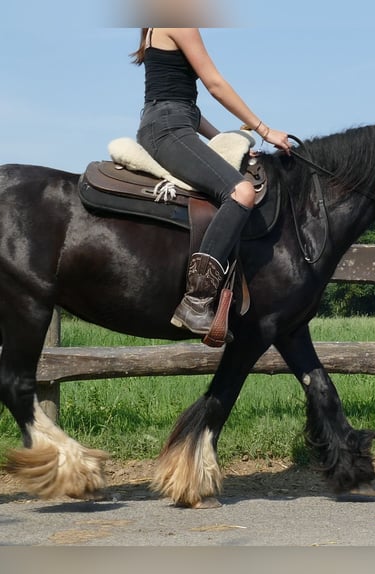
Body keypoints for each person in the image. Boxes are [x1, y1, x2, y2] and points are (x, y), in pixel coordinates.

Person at [133, 27, 291, 340]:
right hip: (169, 128)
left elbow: (182, 103)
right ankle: (196, 301)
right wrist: (264, 129)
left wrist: (226, 138)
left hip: (171, 123)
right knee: (241, 191)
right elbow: (215, 85)